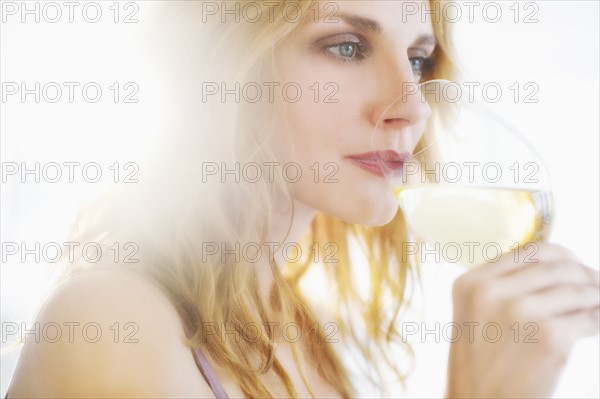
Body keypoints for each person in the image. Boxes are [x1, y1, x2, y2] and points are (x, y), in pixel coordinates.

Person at [6, 1, 599, 398]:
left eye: (417, 59)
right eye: (346, 47)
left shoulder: (300, 335)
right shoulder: (110, 322)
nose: (412, 105)